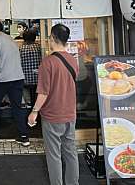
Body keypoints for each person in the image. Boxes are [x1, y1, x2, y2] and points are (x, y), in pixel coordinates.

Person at [28, 24, 79, 185]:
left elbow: (43, 92)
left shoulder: (47, 62)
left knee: (54, 155)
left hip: (52, 116)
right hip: (70, 113)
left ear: (52, 38)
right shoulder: (73, 60)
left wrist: (34, 111)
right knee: (71, 152)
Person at [0, 20, 30, 146]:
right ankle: (23, 136)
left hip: (4, 78)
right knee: (17, 106)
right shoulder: (10, 38)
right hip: (18, 77)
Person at [19, 28, 42, 107]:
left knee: (28, 99)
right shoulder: (39, 48)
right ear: (35, 38)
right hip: (38, 79)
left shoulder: (21, 49)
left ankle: (28, 107)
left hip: (25, 80)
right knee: (36, 99)